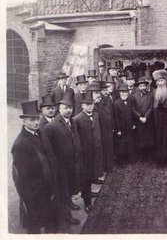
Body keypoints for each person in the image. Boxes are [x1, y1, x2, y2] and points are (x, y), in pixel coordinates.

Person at [11, 100, 59, 233]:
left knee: (51, 223)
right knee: (35, 226)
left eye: (37, 118)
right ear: (24, 121)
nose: (36, 122)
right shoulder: (20, 144)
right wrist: (32, 199)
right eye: (32, 120)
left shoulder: (39, 132)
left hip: (48, 188)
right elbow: (21, 178)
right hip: (35, 195)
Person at [45, 98, 82, 227]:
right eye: (65, 108)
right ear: (59, 109)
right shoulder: (52, 126)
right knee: (63, 192)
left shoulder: (73, 121)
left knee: (71, 187)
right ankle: (67, 218)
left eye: (70, 107)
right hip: (61, 167)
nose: (68, 110)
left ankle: (70, 203)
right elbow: (49, 151)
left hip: (72, 163)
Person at [73, 91, 102, 213]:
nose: (89, 106)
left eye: (91, 104)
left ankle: (89, 193)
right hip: (85, 154)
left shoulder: (95, 115)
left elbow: (97, 131)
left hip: (95, 151)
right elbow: (76, 139)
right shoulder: (77, 119)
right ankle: (87, 203)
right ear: (82, 105)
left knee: (91, 174)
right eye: (87, 104)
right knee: (85, 178)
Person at [152, 69, 167, 163]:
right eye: (158, 81)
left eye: (161, 81)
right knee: (157, 137)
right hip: (156, 118)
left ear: (165, 81)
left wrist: (164, 107)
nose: (160, 83)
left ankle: (166, 157)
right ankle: (158, 156)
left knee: (166, 137)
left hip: (166, 117)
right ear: (156, 83)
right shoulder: (154, 91)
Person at [131, 77, 154, 160]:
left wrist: (146, 117)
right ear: (138, 87)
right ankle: (140, 156)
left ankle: (148, 155)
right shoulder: (134, 96)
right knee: (139, 137)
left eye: (144, 86)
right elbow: (132, 108)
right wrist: (139, 117)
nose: (142, 88)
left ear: (146, 86)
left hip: (147, 120)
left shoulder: (150, 95)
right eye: (140, 86)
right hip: (138, 120)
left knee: (148, 137)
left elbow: (151, 107)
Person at [113, 83, 136, 163]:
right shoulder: (116, 103)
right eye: (122, 92)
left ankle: (129, 158)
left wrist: (133, 124)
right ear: (119, 93)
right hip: (121, 127)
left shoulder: (129, 102)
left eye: (125, 92)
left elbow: (131, 114)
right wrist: (118, 129)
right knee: (121, 144)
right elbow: (116, 118)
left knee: (129, 142)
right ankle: (121, 160)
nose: (123, 93)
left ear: (128, 93)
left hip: (129, 126)